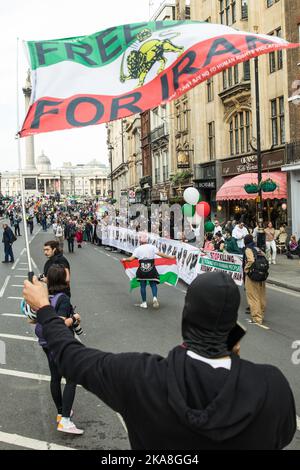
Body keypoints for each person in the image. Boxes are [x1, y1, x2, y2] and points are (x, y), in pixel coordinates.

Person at [23, 271, 296, 450]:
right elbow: (282, 436)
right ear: (233, 329)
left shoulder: (140, 376)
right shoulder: (273, 386)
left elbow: (73, 358)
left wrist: (45, 309)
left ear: (186, 317)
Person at [34, 264, 83, 434]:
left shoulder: (45, 296)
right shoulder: (63, 298)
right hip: (59, 342)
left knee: (55, 377)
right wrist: (74, 317)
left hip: (45, 341)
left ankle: (61, 412)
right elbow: (60, 323)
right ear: (62, 279)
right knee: (71, 378)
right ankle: (66, 420)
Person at [122, 233, 176, 309]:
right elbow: (161, 254)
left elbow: (131, 259)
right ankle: (154, 297)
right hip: (151, 269)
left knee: (142, 286)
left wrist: (125, 259)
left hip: (142, 270)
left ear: (140, 241)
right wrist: (170, 257)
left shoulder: (138, 249)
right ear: (147, 240)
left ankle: (144, 303)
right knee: (153, 284)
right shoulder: (152, 247)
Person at [243, 235, 267, 325]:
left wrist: (246, 269)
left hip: (252, 275)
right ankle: (261, 314)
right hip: (261, 275)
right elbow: (265, 257)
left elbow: (251, 260)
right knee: (261, 295)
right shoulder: (257, 248)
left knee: (253, 297)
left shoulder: (248, 249)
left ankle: (257, 318)